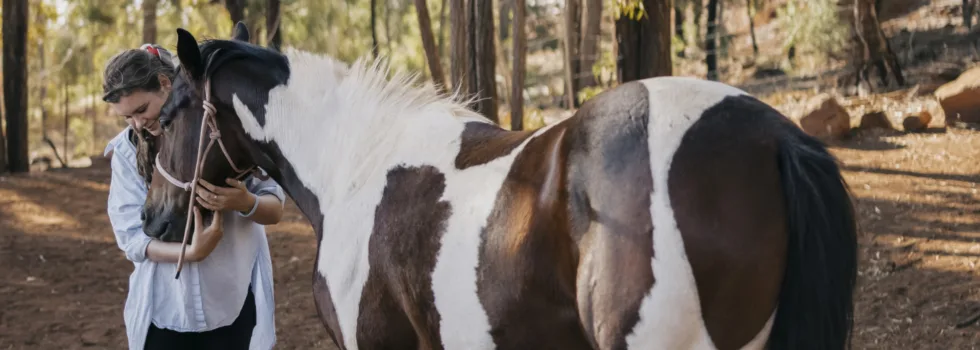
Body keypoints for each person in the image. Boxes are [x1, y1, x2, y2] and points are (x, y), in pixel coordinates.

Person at [102, 43, 284, 350]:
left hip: (233, 303)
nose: (137, 123)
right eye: (127, 117)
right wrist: (192, 253)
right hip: (167, 311)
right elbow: (132, 239)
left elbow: (275, 209)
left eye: (142, 109)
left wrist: (244, 203)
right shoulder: (126, 151)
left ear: (165, 84)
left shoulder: (223, 132)